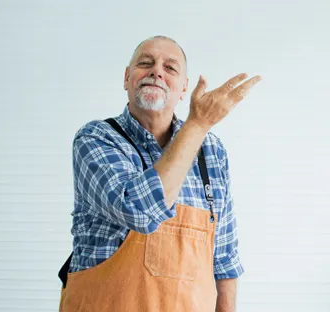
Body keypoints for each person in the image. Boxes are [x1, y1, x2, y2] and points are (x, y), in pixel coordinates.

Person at [58, 35, 261, 312]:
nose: (157, 71)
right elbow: (140, 211)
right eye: (145, 63)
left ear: (183, 88)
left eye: (170, 67)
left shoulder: (211, 151)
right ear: (127, 78)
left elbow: (223, 258)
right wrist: (198, 124)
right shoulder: (96, 139)